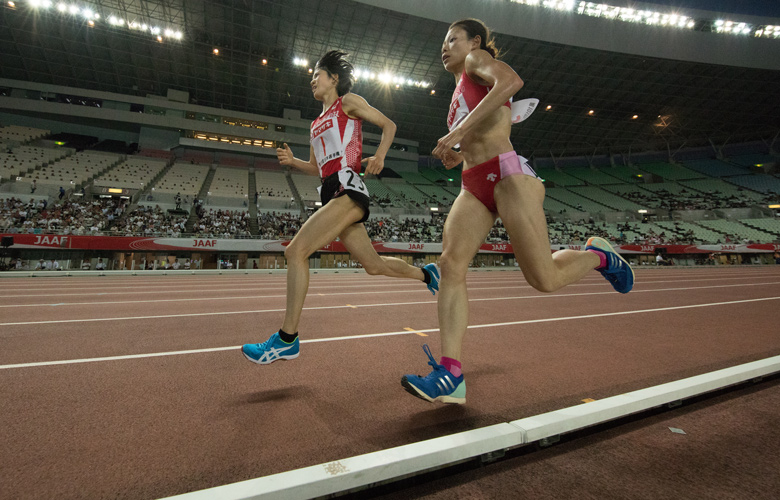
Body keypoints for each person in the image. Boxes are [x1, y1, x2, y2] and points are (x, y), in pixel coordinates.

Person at [401, 19, 634, 404]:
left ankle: (598, 256)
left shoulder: (478, 60)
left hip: (507, 176)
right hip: (472, 182)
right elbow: (478, 132)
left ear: (474, 41)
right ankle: (451, 373)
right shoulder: (458, 87)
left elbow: (511, 83)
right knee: (450, 265)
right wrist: (456, 152)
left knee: (544, 279)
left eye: (451, 39)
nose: (444, 47)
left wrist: (457, 133)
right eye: (443, 42)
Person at [242, 50, 441, 365]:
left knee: (295, 252)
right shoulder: (315, 123)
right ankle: (426, 274)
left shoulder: (347, 103)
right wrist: (293, 162)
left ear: (333, 79)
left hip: (348, 189)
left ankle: (286, 339)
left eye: (317, 75)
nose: (312, 80)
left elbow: (389, 125)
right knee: (373, 265)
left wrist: (380, 156)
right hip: (330, 189)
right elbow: (316, 168)